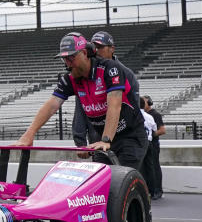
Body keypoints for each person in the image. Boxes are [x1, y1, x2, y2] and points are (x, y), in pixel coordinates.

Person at [17, 32, 148, 170]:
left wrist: (106, 139)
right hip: (101, 138)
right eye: (64, 59)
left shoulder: (110, 68)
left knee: (120, 180)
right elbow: (51, 105)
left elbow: (114, 106)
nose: (67, 63)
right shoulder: (71, 78)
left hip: (130, 136)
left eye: (71, 57)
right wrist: (29, 134)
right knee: (99, 182)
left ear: (84, 53)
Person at [140, 95, 165, 198]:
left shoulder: (155, 114)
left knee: (154, 166)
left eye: (144, 102)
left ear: (149, 103)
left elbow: (162, 130)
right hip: (148, 143)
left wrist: (149, 135)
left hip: (153, 144)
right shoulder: (145, 115)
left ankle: (158, 190)